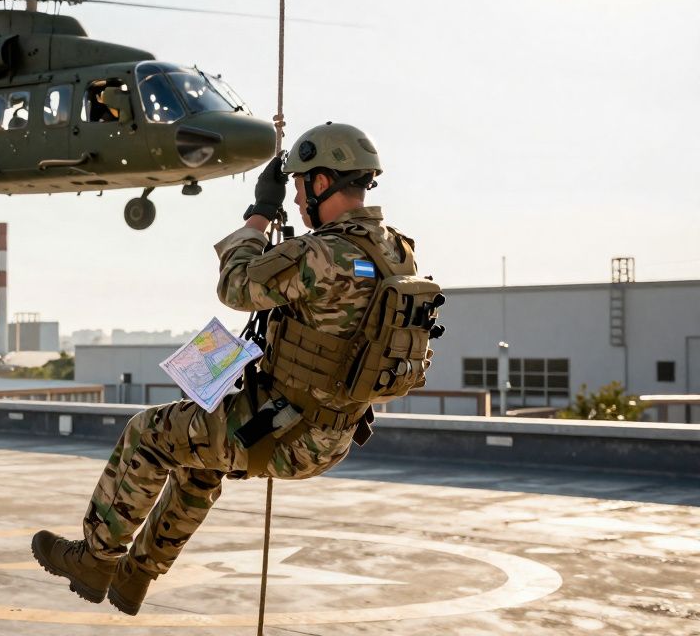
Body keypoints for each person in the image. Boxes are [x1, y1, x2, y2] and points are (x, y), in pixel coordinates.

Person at [32, 122, 437, 616]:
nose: (298, 197)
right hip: (332, 435)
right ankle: (134, 577)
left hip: (282, 431)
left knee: (149, 433)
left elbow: (237, 286)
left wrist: (258, 216)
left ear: (321, 182)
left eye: (299, 185)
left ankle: (95, 560)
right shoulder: (397, 251)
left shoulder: (323, 254)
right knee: (199, 461)